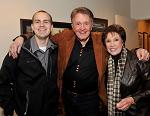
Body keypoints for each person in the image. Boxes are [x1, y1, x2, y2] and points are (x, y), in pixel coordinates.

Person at [9, 7, 150, 116]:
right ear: (72, 25)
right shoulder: (64, 37)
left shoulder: (100, 40)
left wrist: (138, 50)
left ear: (92, 24)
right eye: (78, 24)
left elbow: (117, 46)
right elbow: (42, 35)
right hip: (66, 98)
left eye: (86, 23)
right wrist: (21, 37)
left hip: (92, 100)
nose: (82, 28)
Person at [0, 10, 58, 116]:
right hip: (24, 112)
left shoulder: (57, 50)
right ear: (32, 26)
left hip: (50, 111)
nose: (41, 25)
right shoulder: (17, 50)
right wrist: (10, 109)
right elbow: (3, 82)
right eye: (37, 21)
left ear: (51, 26)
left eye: (46, 21)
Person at [102, 24, 150, 116]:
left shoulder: (139, 59)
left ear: (123, 41)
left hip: (136, 112)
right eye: (108, 41)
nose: (112, 44)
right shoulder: (106, 62)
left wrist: (133, 99)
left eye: (116, 40)